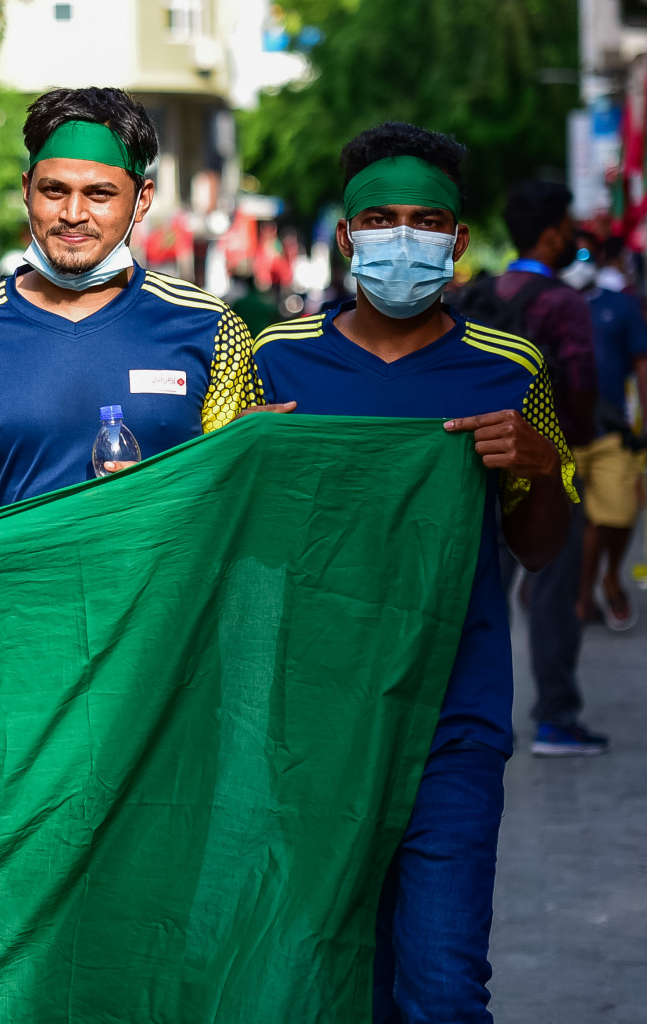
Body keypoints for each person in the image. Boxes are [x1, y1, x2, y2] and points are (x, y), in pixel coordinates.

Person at [252, 122, 578, 1023]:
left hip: (451, 722)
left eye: (426, 220)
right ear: (348, 234)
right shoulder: (269, 364)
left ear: (459, 240)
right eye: (383, 219)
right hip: (307, 727)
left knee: (441, 987)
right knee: (341, 984)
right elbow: (224, 539)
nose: (404, 238)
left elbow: (540, 548)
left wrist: (539, 468)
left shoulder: (509, 370)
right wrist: (251, 457)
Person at [0, 87, 264, 559]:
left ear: (142, 199)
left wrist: (260, 451)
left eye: (99, 194)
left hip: (166, 621)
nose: (73, 214)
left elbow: (240, 496)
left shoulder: (211, 327)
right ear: (27, 189)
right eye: (54, 190)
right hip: (22, 618)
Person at [492, 181, 606, 756]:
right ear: (552, 231)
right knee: (553, 592)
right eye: (566, 225)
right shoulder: (562, 302)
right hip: (545, 469)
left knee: (481, 596)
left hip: (479, 465)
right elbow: (583, 390)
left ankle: (479, 720)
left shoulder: (485, 294)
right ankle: (556, 718)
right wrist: (573, 444)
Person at [574, 235, 647, 631]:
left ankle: (610, 575)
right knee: (583, 521)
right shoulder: (544, 303)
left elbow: (642, 364)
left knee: (617, 514)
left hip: (610, 431)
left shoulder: (620, 307)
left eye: (586, 252)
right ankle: (583, 596)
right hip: (558, 433)